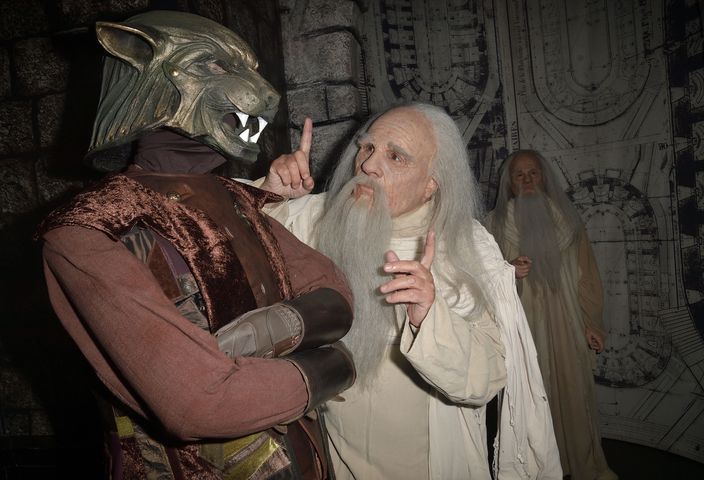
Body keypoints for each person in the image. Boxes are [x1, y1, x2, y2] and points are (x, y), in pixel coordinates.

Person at [36, 11, 356, 479]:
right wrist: (334, 364)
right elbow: (200, 402)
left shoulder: (236, 201)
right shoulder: (86, 230)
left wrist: (240, 349)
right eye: (212, 65)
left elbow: (337, 297)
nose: (263, 92)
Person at [252, 103, 562, 479]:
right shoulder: (320, 217)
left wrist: (430, 315)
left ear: (431, 183)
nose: (367, 165)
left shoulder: (465, 246)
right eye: (366, 148)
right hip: (335, 457)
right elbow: (230, 240)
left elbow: (489, 375)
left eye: (395, 156)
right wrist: (270, 195)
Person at [487, 150, 617, 480]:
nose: (528, 179)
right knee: (532, 399)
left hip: (569, 324)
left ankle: (585, 466)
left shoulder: (568, 222)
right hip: (524, 329)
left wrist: (593, 322)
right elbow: (481, 281)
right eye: (519, 175)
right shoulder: (494, 226)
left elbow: (588, 276)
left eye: (533, 173)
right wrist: (507, 272)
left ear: (544, 177)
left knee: (576, 397)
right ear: (510, 184)